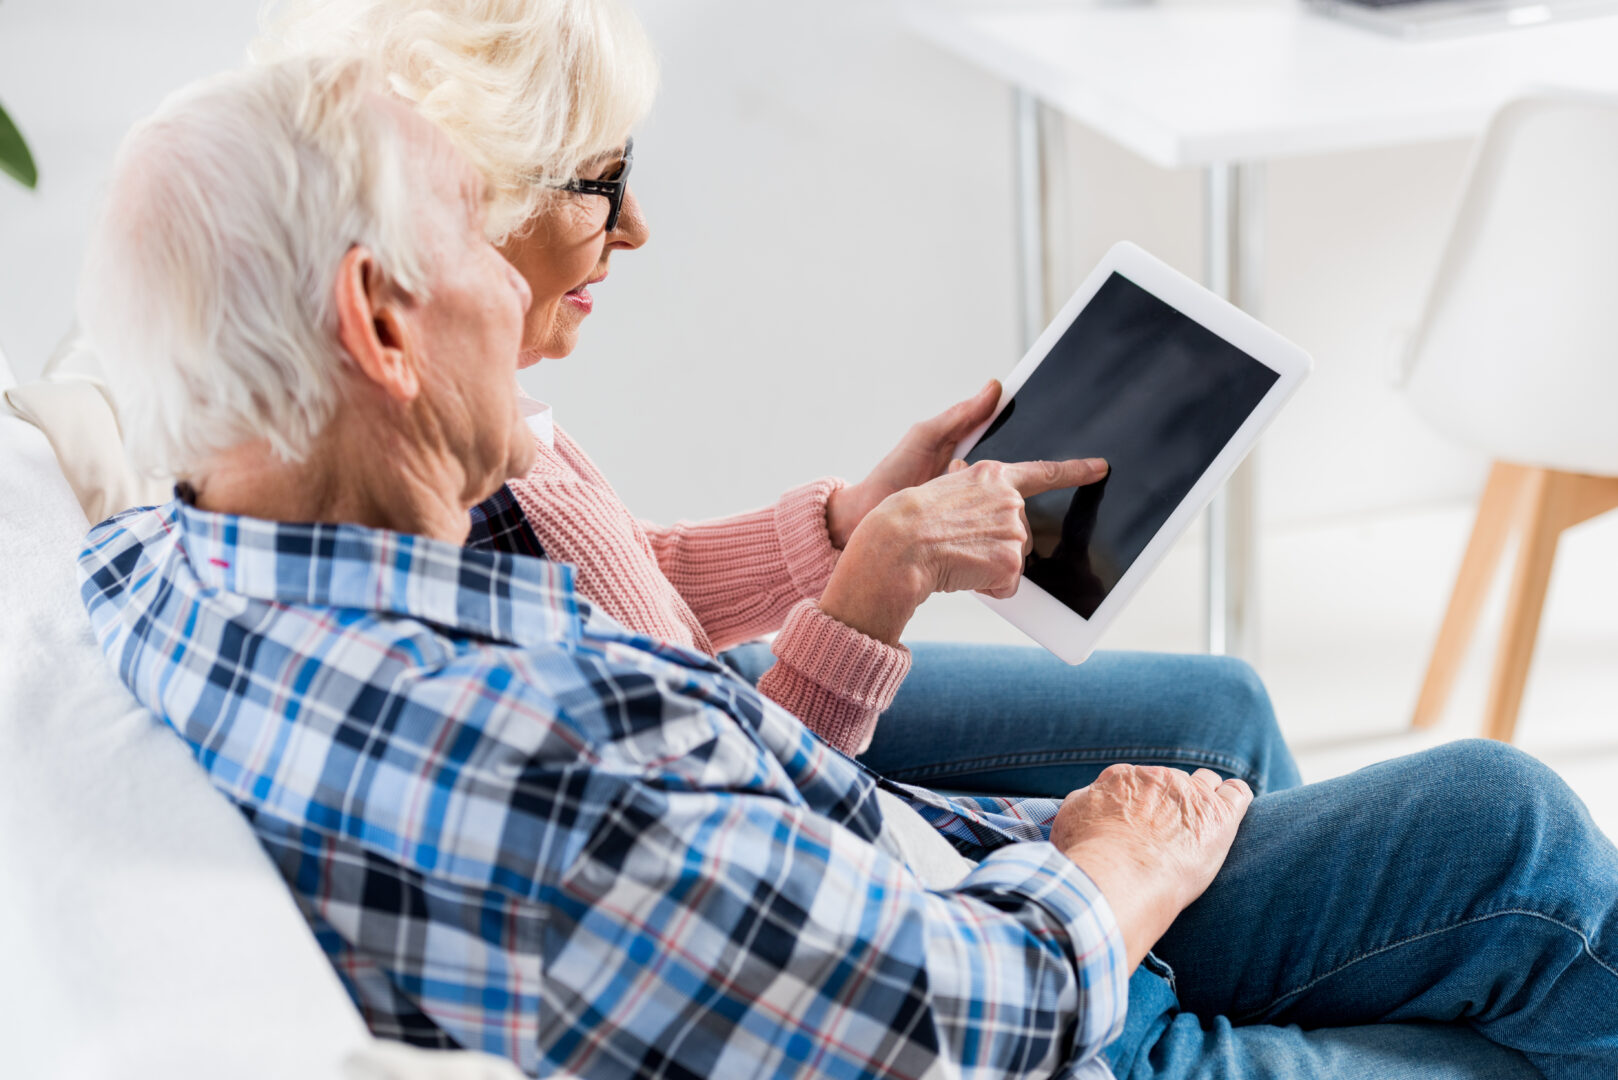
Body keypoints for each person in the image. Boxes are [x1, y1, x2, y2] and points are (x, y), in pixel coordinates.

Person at [78, 55, 1618, 1080]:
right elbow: (959, 1019)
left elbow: (658, 660)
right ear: (383, 322)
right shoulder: (552, 751)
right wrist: (1115, 870)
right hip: (1031, 994)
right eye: (477, 239)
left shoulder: (164, 551)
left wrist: (836, 542)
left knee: (1468, 818)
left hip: (924, 873)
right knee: (1520, 857)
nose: (535, 271)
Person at [251, 0, 1302, 804]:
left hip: (737, 699)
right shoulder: (451, 488)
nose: (636, 229)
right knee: (1255, 765)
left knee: (1227, 707)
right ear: (463, 204)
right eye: (600, 184)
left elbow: (636, 590)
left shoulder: (466, 412)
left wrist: (846, 526)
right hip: (773, 753)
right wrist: (873, 597)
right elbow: (738, 823)